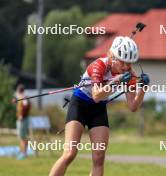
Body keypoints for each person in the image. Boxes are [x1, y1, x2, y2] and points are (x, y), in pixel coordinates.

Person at [49, 36, 150, 176]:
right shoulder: (99, 65)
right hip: (80, 104)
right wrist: (116, 81)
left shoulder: (129, 74)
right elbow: (96, 96)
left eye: (130, 63)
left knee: (99, 157)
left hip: (98, 109)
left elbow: (133, 106)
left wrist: (143, 89)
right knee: (70, 153)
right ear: (113, 57)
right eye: (123, 62)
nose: (126, 67)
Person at [14, 84, 31, 160]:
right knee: (21, 136)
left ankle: (24, 153)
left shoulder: (24, 97)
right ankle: (22, 152)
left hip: (23, 119)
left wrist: (21, 115)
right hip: (22, 119)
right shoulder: (21, 97)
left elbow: (25, 106)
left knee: (23, 136)